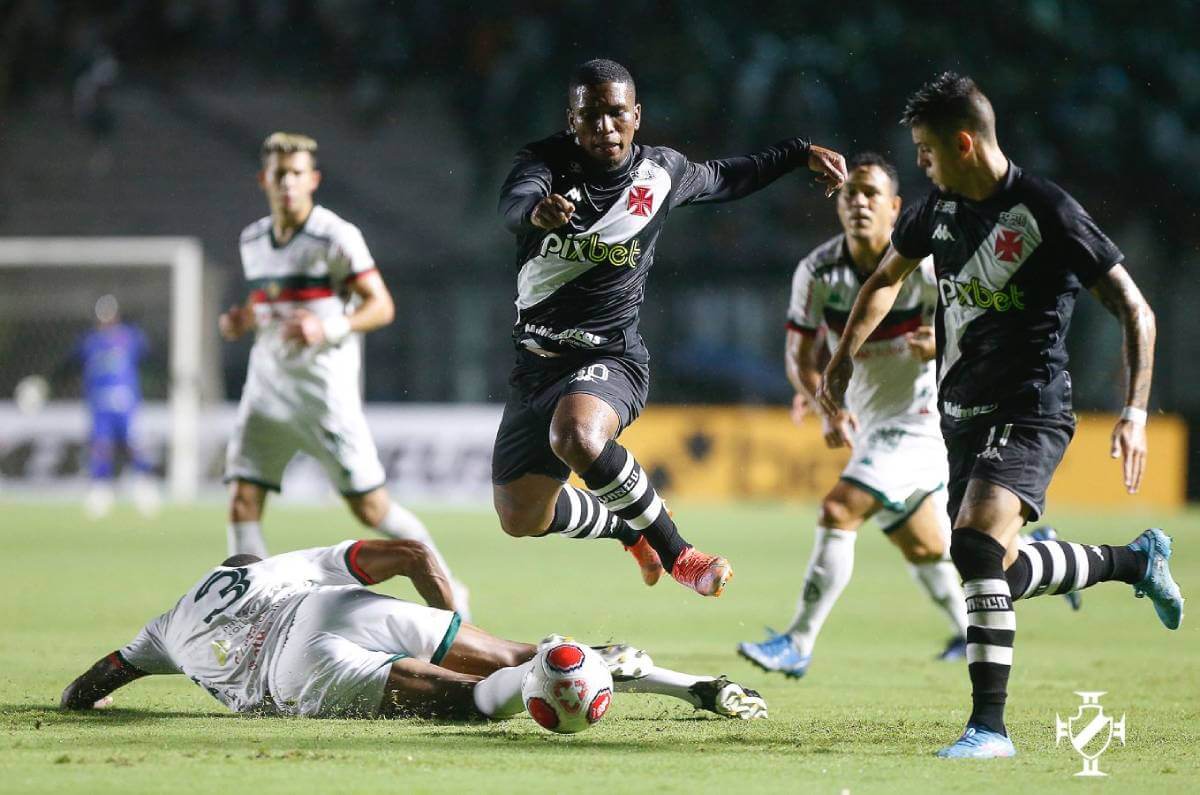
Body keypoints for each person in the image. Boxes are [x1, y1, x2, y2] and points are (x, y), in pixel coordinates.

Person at [817, 72, 1184, 759]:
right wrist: (842, 356)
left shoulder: (1047, 211)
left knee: (977, 546)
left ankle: (990, 729)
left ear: (962, 143)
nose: (920, 165)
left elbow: (1136, 308)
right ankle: (1133, 562)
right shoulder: (937, 210)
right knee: (999, 572)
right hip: (959, 411)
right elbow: (885, 280)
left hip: (1031, 405)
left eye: (925, 151)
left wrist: (1134, 410)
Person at [493, 58, 847, 597]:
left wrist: (798, 153)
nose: (605, 128)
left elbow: (732, 176)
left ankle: (678, 552)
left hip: (610, 357)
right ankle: (627, 526)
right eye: (591, 117)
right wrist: (535, 213)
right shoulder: (545, 165)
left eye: (616, 114)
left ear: (637, 115)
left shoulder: (661, 174)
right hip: (535, 366)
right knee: (519, 516)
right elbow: (515, 200)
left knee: (576, 435)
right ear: (572, 119)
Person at [59, 539, 767, 722]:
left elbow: (91, 680)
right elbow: (410, 554)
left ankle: (535, 687)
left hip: (294, 671)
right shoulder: (280, 566)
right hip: (332, 607)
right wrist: (450, 622)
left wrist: (90, 698)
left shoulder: (164, 626)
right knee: (521, 650)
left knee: (472, 700)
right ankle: (690, 684)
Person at [737, 153, 969, 677]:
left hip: (920, 423)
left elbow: (977, 330)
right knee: (928, 546)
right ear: (838, 206)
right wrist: (825, 403)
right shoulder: (818, 272)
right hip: (870, 426)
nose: (859, 203)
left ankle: (798, 640)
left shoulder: (927, 267)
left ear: (894, 208)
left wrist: (944, 342)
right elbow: (798, 358)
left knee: (839, 510)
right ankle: (980, 619)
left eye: (870, 194)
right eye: (850, 195)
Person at [219, 132, 469, 616]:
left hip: (324, 396)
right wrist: (242, 319)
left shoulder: (335, 236)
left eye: (296, 173)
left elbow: (381, 305)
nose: (287, 182)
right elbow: (269, 299)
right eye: (278, 173)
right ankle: (257, 611)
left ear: (312, 180)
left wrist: (327, 325)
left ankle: (451, 590)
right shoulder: (252, 240)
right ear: (263, 180)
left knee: (371, 510)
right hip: (266, 392)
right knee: (242, 501)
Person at [76, 294, 159, 519]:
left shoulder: (131, 338)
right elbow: (71, 364)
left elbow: (152, 360)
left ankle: (144, 488)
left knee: (136, 445)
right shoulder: (90, 342)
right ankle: (101, 491)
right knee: (101, 447)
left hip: (127, 404)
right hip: (100, 405)